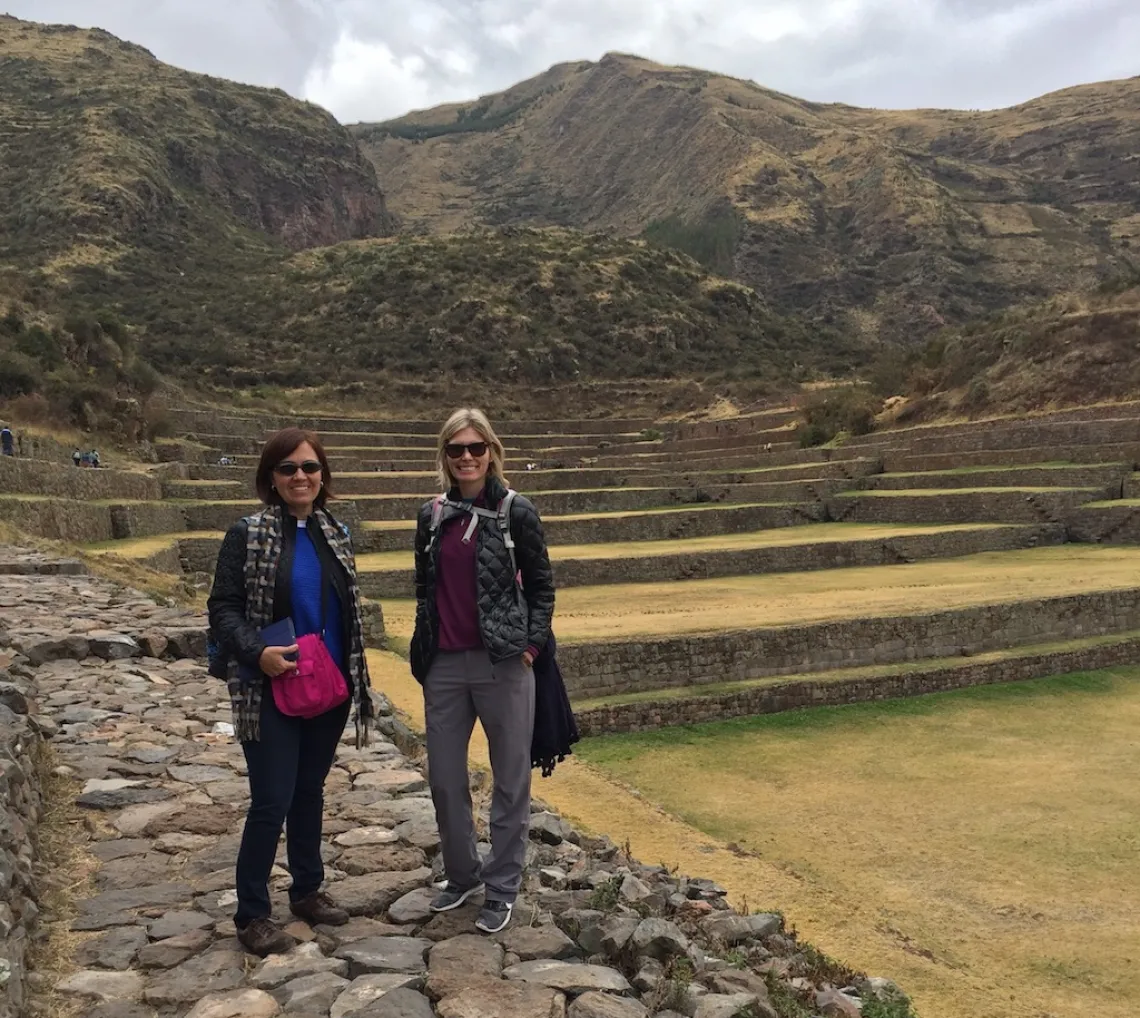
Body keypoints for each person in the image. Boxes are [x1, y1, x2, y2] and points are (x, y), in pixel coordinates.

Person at [207, 427, 374, 957]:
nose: (300, 476)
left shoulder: (334, 531)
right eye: (288, 469)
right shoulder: (247, 534)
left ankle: (306, 889)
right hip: (271, 684)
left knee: (309, 791)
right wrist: (257, 653)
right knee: (271, 799)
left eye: (309, 467)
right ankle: (252, 913)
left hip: (327, 684)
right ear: (271, 479)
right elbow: (223, 608)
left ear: (323, 476)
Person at [411, 408, 555, 934]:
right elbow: (425, 589)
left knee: (510, 780)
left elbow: (542, 588)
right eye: (456, 449)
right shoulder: (429, 515)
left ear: (491, 451)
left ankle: (502, 887)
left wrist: (530, 647)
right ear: (444, 456)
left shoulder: (517, 511)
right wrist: (424, 649)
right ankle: (462, 875)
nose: (466, 457)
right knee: (445, 780)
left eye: (475, 448)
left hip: (504, 663)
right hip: (445, 665)